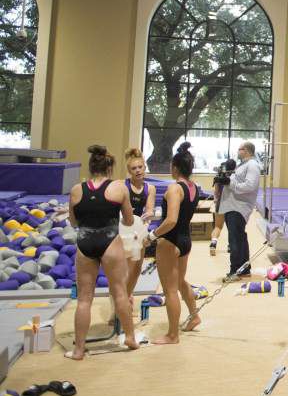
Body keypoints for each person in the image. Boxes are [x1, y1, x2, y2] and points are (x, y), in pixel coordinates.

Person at [66, 145, 139, 359]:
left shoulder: (77, 190)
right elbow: (129, 220)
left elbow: (73, 221)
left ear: (90, 167)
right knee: (120, 292)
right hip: (110, 242)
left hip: (85, 243)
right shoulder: (118, 188)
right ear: (109, 168)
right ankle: (130, 338)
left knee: (84, 299)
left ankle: (79, 349)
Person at [148, 142, 201, 343]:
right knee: (179, 282)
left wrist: (152, 236)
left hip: (170, 241)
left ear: (175, 168)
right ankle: (194, 315)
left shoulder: (174, 189)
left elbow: (170, 220)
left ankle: (172, 335)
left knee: (170, 289)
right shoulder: (194, 187)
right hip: (186, 239)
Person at [217, 142, 260, 279]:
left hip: (239, 207)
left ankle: (234, 270)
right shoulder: (242, 165)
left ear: (247, 151)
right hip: (232, 205)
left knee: (235, 239)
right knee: (240, 237)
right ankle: (244, 268)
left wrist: (229, 182)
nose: (238, 151)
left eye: (240, 149)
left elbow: (250, 186)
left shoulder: (252, 165)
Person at [123, 148, 156, 308]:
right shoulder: (123, 186)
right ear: (129, 171)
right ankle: (120, 301)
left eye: (140, 167)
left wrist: (149, 214)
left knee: (136, 268)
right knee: (125, 269)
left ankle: (128, 294)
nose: (137, 171)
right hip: (123, 230)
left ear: (144, 167)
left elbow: (149, 209)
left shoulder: (150, 188)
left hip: (139, 229)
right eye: (133, 168)